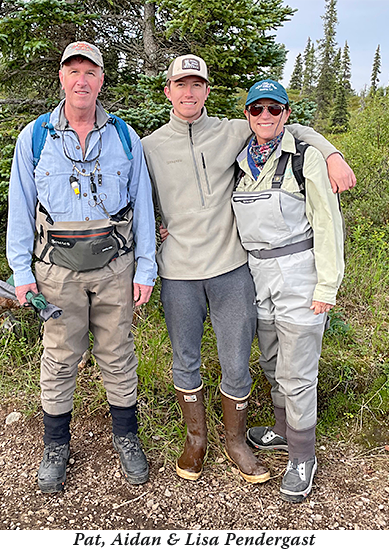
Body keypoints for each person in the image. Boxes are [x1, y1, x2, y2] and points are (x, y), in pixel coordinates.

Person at [141, 55, 354, 485]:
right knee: (188, 360)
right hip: (178, 272)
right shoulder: (148, 145)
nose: (188, 92)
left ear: (206, 91)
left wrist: (331, 153)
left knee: (239, 361)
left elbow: (289, 130)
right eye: (180, 84)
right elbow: (135, 197)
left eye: (196, 84)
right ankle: (196, 440)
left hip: (233, 269)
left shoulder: (232, 131)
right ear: (167, 90)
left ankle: (238, 443)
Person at [6, 41, 157, 493]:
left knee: (118, 353)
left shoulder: (126, 137)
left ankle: (126, 438)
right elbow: (21, 205)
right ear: (62, 78)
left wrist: (145, 268)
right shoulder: (33, 137)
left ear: (101, 80)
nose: (82, 79)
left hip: (116, 268)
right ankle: (55, 445)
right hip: (55, 272)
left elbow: (143, 206)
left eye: (90, 71)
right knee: (59, 357)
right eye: (73, 71)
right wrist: (21, 270)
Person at [233, 79, 345, 503]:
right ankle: (282, 431)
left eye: (274, 110)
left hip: (300, 276)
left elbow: (327, 223)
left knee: (298, 372)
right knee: (271, 361)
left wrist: (326, 285)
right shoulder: (241, 160)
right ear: (247, 114)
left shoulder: (306, 159)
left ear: (286, 114)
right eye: (257, 109)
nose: (265, 117)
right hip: (257, 277)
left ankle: (303, 456)